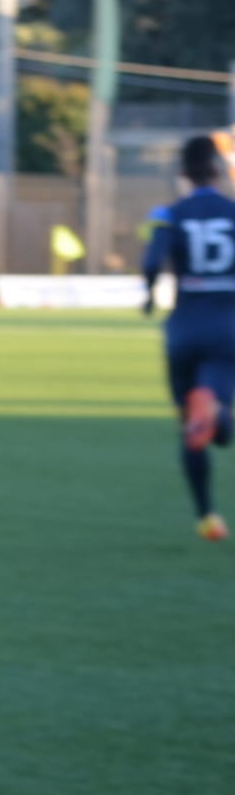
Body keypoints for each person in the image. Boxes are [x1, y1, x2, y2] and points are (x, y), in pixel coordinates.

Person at [142, 133, 235, 542]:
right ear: (218, 170)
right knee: (219, 420)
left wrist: (148, 295)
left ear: (183, 173)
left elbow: (151, 262)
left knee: (188, 427)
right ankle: (217, 415)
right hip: (226, 327)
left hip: (182, 329)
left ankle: (207, 517)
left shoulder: (169, 213)